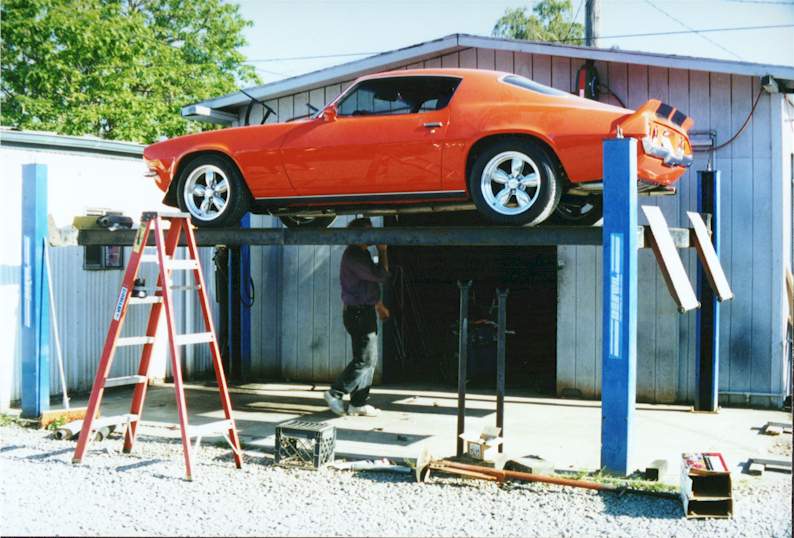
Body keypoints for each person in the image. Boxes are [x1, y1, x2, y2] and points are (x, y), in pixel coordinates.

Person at [324, 217, 390, 417]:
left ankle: (358, 403)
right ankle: (335, 393)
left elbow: (366, 286)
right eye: (369, 231)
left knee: (369, 360)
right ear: (360, 234)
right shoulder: (355, 255)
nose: (373, 235)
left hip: (363, 311)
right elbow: (380, 277)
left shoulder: (361, 253)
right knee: (365, 361)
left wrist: (378, 305)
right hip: (359, 313)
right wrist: (383, 251)